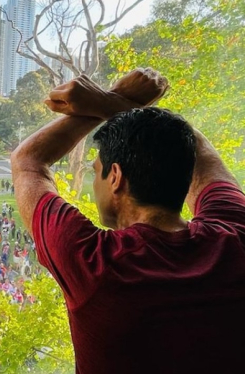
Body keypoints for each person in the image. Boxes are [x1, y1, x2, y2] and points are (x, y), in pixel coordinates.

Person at [12, 68, 245, 373]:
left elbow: (28, 162)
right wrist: (107, 102)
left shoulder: (93, 263)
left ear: (116, 177)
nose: (93, 183)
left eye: (96, 172)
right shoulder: (235, 235)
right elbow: (201, 155)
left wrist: (109, 100)